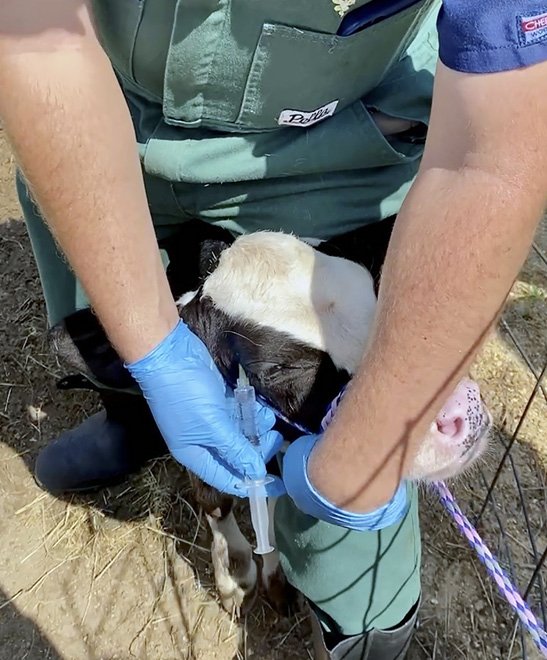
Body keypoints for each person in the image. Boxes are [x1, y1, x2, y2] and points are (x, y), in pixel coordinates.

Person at [1, 1, 546, 658]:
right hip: (102, 108)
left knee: (349, 397)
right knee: (99, 312)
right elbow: (34, 36)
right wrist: (153, 350)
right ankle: (136, 419)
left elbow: (494, 151)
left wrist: (361, 458)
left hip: (335, 143)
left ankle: (361, 619)